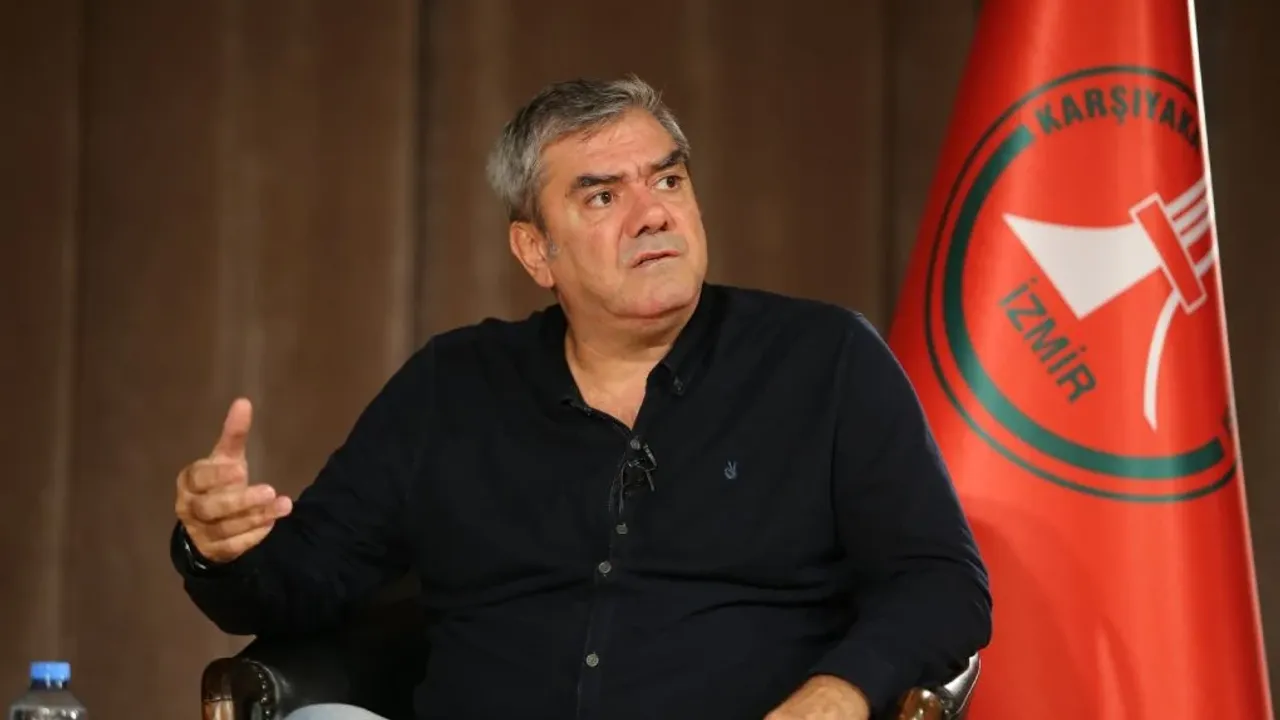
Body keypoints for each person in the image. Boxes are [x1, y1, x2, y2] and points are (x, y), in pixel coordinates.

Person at [171, 75, 991, 720]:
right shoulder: (454, 386)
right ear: (536, 251)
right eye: (603, 196)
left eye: (667, 180)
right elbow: (308, 581)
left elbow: (942, 583)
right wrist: (220, 548)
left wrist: (843, 689)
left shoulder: (823, 360)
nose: (652, 215)